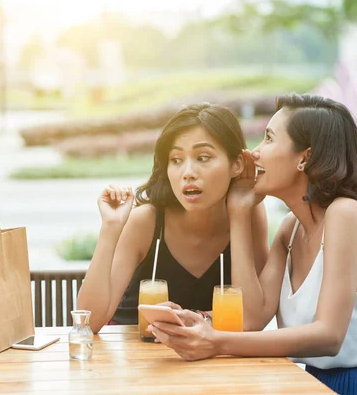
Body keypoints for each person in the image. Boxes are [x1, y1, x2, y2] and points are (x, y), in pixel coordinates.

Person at [149, 94, 357, 394]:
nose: (253, 154)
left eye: (268, 139)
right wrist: (240, 212)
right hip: (307, 383)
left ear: (304, 158)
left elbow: (329, 336)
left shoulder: (345, 214)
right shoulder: (290, 231)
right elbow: (252, 319)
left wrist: (216, 342)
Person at [76, 103, 269, 334]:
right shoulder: (145, 221)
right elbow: (89, 322)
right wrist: (110, 227)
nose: (187, 172)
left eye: (203, 157)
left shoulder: (249, 214)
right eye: (176, 160)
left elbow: (252, 320)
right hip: (139, 356)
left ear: (236, 164)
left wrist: (238, 214)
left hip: (214, 362)